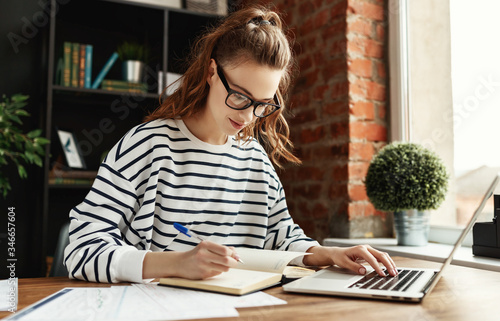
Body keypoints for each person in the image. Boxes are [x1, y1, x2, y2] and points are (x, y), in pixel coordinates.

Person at [64, 4, 397, 284]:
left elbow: (280, 237)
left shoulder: (254, 160)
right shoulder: (147, 146)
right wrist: (176, 264)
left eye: (263, 104)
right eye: (239, 96)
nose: (249, 115)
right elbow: (81, 250)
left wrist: (327, 254)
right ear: (212, 72)